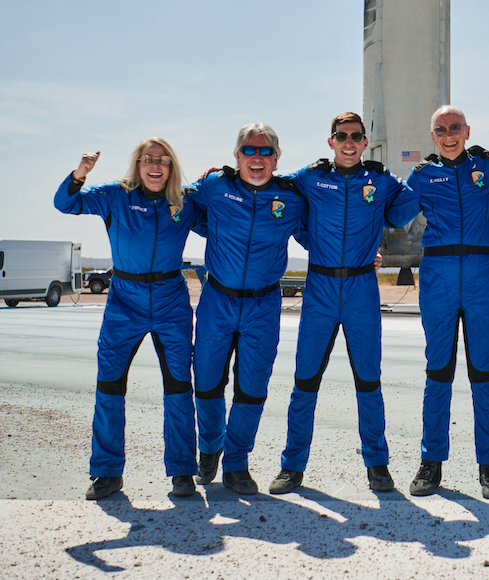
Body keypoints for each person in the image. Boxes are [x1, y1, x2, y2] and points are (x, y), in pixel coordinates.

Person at [268, 112, 421, 495]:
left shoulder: (381, 181)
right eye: (341, 136)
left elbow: (407, 206)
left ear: (365, 142)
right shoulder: (310, 177)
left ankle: (378, 465)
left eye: (356, 136)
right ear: (331, 141)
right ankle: (291, 466)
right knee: (305, 380)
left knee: (368, 381)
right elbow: (281, 198)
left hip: (361, 289)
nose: (349, 142)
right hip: (320, 287)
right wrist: (313, 244)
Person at [54, 138, 201, 500]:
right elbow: (65, 203)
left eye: (163, 160)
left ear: (171, 166)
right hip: (125, 302)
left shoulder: (185, 202)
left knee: (179, 388)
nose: (155, 165)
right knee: (110, 386)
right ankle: (106, 472)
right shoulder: (114, 197)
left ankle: (182, 470)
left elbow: (227, 225)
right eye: (148, 159)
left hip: (170, 301)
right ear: (137, 164)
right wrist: (80, 174)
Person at [187, 124, 308, 496]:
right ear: (237, 156)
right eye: (249, 151)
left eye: (265, 152)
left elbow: (318, 237)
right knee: (206, 383)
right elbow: (180, 210)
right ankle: (209, 448)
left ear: (276, 158)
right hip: (217, 300)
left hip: (263, 304)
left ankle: (237, 462)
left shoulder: (291, 199)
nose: (257, 158)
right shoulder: (214, 188)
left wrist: (364, 256)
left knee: (252, 388)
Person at [403, 105, 489, 499]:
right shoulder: (421, 176)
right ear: (432, 136)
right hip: (438, 274)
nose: (448, 135)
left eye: (455, 128)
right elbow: (391, 208)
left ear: (466, 131)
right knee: (439, 370)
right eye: (440, 130)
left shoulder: (488, 166)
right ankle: (431, 462)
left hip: (483, 272)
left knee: (484, 371)